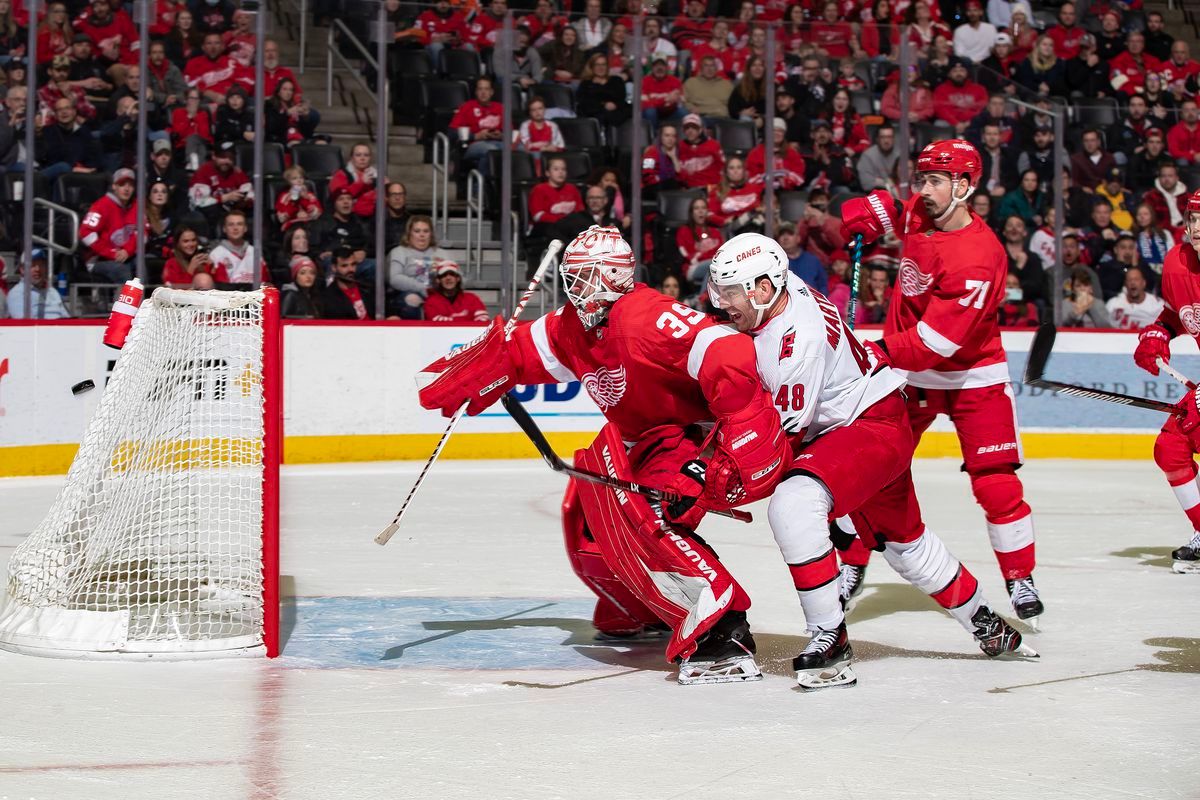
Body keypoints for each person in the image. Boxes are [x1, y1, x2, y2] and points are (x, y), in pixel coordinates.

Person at [419, 225, 791, 685]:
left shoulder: (646, 318)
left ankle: (723, 631)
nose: (575, 290)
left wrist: (734, 449)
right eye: (571, 279)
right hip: (640, 438)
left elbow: (727, 349)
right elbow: (523, 352)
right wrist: (492, 361)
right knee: (584, 516)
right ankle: (641, 608)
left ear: (614, 276)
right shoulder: (572, 326)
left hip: (688, 437)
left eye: (584, 278)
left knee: (645, 516)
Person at [705, 233, 1034, 690]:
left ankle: (830, 637)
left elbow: (777, 447)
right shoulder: (781, 290)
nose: (719, 303)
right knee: (905, 544)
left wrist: (708, 485)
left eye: (730, 293)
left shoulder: (796, 345)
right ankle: (986, 621)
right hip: (874, 414)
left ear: (763, 289)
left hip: (866, 429)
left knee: (795, 503)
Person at [838, 140, 1045, 625]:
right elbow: (875, 212)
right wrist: (859, 216)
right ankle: (852, 561)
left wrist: (877, 351)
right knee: (867, 470)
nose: (922, 190)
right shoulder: (920, 212)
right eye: (921, 179)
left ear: (964, 186)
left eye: (934, 181)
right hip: (912, 375)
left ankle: (1020, 577)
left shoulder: (979, 256)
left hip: (972, 376)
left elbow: (938, 341)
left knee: (995, 483)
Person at [1131, 192, 1200, 571]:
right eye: (1193, 218)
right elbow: (1177, 312)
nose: (1198, 227)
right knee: (1171, 447)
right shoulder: (1176, 262)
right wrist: (1159, 332)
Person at [78, 168, 137, 284]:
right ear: (114, 186)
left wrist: (127, 251)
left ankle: (144, 301)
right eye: (122, 184)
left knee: (141, 267)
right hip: (98, 259)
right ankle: (127, 302)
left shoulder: (136, 206)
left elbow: (142, 233)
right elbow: (85, 233)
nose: (126, 189)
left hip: (126, 255)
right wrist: (111, 253)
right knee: (122, 270)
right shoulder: (101, 205)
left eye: (130, 185)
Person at [387, 215, 449, 319]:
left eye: (426, 231)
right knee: (412, 299)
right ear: (409, 233)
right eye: (417, 231)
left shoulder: (443, 253)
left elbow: (458, 276)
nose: (422, 235)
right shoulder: (399, 252)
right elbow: (394, 278)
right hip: (409, 294)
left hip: (441, 293)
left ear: (431, 234)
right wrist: (422, 288)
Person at [188, 140, 253, 228]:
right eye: (223, 157)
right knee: (212, 210)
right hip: (211, 213)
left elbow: (250, 192)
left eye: (230, 158)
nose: (227, 161)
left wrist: (245, 201)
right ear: (214, 156)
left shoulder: (236, 172)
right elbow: (199, 202)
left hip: (233, 211)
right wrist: (225, 198)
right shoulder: (204, 171)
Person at [6, 249, 70, 319]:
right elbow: (24, 326)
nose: (37, 269)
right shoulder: (17, 293)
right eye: (33, 265)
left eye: (41, 265)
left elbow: (67, 319)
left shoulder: (52, 291)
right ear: (22, 269)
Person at [706, 156, 762, 233]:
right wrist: (724, 221)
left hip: (754, 227)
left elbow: (764, 208)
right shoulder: (717, 190)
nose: (735, 171)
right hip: (730, 229)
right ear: (726, 172)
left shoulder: (755, 189)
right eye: (731, 168)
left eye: (739, 168)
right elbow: (709, 214)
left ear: (744, 171)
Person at [676, 196, 722, 287]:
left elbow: (721, 253)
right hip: (693, 267)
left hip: (714, 266)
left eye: (703, 208)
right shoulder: (684, 231)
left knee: (712, 270)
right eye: (696, 208)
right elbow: (685, 254)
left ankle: (698, 299)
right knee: (713, 266)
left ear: (707, 212)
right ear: (691, 212)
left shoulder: (715, 232)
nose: (700, 211)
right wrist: (703, 257)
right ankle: (701, 299)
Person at [208, 210, 261, 287]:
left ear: (245, 228)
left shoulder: (255, 252)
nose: (235, 228)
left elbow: (264, 282)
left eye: (239, 224)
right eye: (231, 224)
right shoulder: (216, 254)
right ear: (224, 229)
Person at [423, 260, 488, 323]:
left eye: (452, 274)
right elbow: (434, 320)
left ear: (458, 278)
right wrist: (466, 321)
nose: (448, 278)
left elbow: (483, 318)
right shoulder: (431, 301)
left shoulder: (472, 298)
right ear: (438, 280)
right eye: (444, 275)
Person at [576, 54, 629, 128]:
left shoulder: (616, 81)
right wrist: (603, 105)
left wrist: (614, 105)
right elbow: (584, 102)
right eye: (597, 65)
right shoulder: (586, 84)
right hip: (594, 114)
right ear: (592, 67)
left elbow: (620, 98)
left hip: (615, 114)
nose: (600, 68)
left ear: (607, 66)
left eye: (603, 64)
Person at [321, 246, 374, 320]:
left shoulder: (367, 288)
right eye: (344, 266)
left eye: (353, 264)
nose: (351, 269)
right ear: (334, 268)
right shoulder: (329, 297)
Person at [328, 143, 379, 220]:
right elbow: (339, 197)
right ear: (351, 158)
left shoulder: (377, 175)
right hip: (351, 217)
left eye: (366, 155)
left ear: (370, 158)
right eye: (358, 155)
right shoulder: (341, 175)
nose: (362, 158)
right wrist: (361, 183)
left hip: (375, 217)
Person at [1107, 265, 1163, 331]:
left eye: (1136, 279)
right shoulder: (1113, 304)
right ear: (1125, 284)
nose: (1132, 283)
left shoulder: (1158, 306)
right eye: (1129, 280)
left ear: (1144, 283)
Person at [777, 222, 827, 294]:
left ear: (798, 238)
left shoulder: (813, 261)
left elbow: (823, 286)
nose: (785, 238)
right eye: (782, 234)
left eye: (790, 234)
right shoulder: (775, 262)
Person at [676, 114, 723, 189]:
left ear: (700, 129)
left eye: (694, 127)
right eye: (687, 128)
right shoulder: (680, 146)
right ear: (683, 130)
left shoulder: (713, 145)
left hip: (710, 187)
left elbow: (722, 167)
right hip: (688, 188)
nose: (690, 131)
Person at [281, 255, 324, 319]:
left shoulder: (313, 295)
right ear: (295, 276)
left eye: (312, 273)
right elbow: (284, 320)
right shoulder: (290, 295)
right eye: (302, 273)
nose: (308, 276)